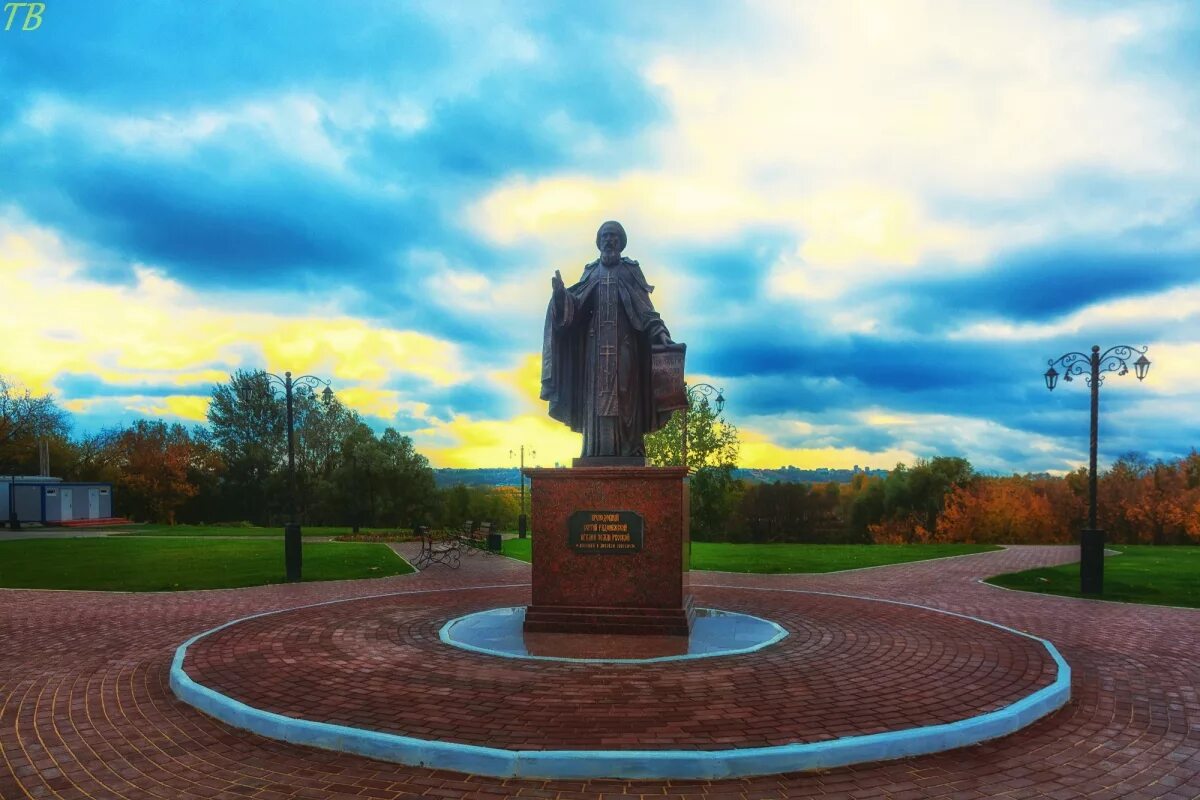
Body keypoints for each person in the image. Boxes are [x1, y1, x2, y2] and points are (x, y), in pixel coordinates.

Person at [539, 220, 682, 461]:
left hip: (625, 345)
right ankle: (595, 449)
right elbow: (575, 310)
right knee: (596, 397)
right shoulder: (591, 271)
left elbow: (646, 310)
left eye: (613, 236)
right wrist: (560, 296)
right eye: (604, 235)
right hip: (594, 350)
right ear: (598, 241)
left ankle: (629, 448)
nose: (609, 240)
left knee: (625, 395)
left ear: (621, 241)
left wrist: (662, 334)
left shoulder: (630, 270)